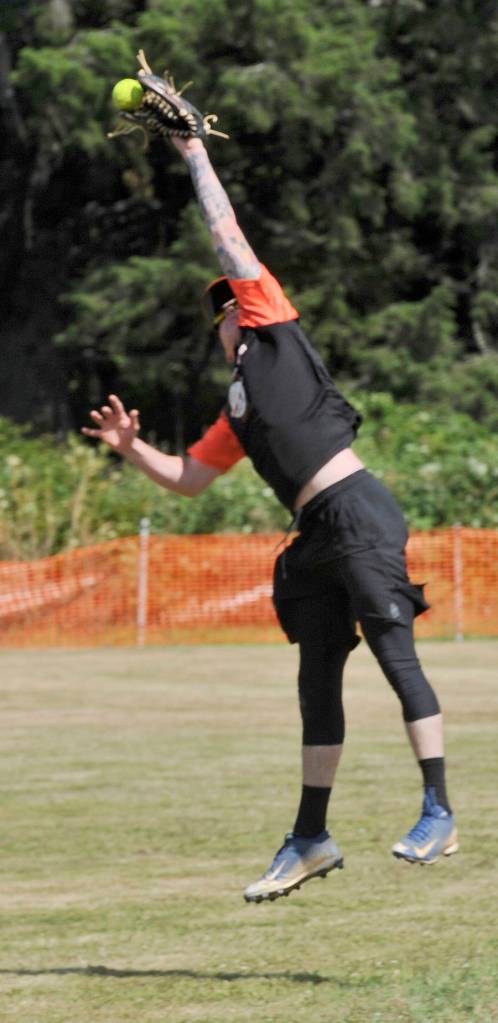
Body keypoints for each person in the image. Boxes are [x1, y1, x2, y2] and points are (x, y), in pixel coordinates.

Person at [82, 135, 458, 903]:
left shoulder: (275, 332)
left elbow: (227, 233)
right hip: (315, 534)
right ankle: (312, 836)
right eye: (224, 307)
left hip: (356, 508)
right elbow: (189, 479)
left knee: (395, 657)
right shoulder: (239, 405)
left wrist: (193, 152)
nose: (232, 308)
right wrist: (129, 448)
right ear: (218, 331)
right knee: (316, 676)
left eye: (236, 297)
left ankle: (439, 812)